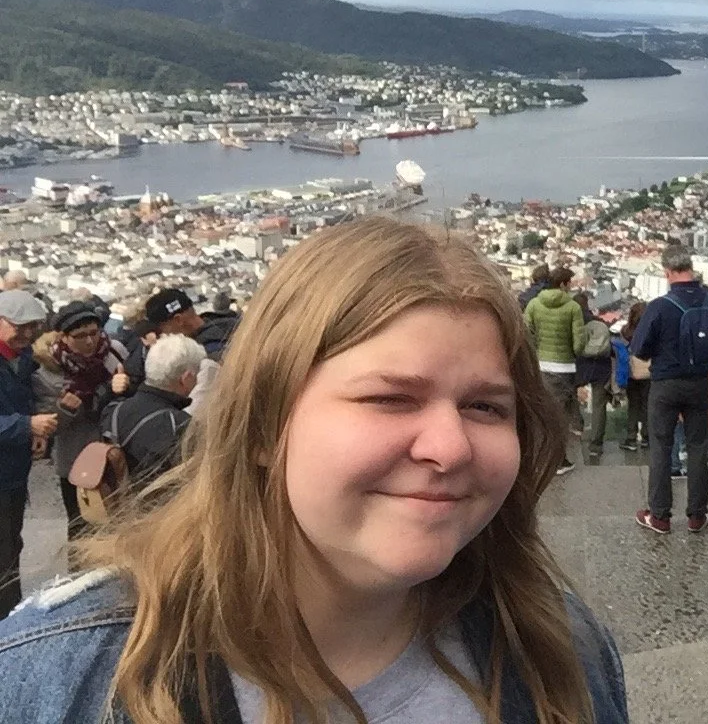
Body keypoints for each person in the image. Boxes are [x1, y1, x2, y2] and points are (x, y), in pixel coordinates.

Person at [0, 216, 628, 724]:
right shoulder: (55, 676)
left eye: (486, 407)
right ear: (265, 427)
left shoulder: (562, 647)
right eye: (390, 399)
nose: (452, 448)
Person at [631, 243, 708, 535]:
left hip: (665, 384)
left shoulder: (660, 306)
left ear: (667, 272)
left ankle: (660, 516)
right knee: (699, 447)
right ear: (691, 268)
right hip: (701, 383)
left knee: (662, 448)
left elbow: (639, 348)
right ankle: (696, 516)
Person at [38, 303, 128, 541]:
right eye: (80, 336)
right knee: (83, 528)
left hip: (114, 450)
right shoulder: (50, 369)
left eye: (94, 333)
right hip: (76, 456)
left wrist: (123, 386)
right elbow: (47, 425)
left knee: (120, 524)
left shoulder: (114, 352)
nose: (90, 342)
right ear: (64, 337)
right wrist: (65, 409)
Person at [0, 289, 56, 620]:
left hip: (13, 472)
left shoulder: (19, 361)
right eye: (18, 326)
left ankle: (11, 613)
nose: (26, 334)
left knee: (10, 548)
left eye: (31, 326)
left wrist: (33, 433)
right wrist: (27, 425)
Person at [103, 334, 204, 480]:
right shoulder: (181, 426)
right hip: (161, 502)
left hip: (118, 500)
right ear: (186, 378)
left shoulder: (113, 410)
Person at [523, 267, 586, 475]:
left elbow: (527, 333)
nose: (571, 287)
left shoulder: (534, 304)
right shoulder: (572, 308)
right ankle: (557, 460)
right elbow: (578, 344)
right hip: (564, 366)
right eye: (570, 283)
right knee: (558, 415)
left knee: (545, 409)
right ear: (563, 284)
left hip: (541, 364)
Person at [573, 293, 613, 459]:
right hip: (601, 366)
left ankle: (577, 428)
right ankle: (596, 445)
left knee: (569, 399)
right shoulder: (600, 322)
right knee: (598, 406)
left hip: (579, 365)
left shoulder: (574, 322)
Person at [619, 301, 650, 451]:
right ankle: (646, 437)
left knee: (633, 406)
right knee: (647, 405)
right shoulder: (651, 331)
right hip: (648, 372)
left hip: (631, 372)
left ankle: (631, 438)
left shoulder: (626, 331)